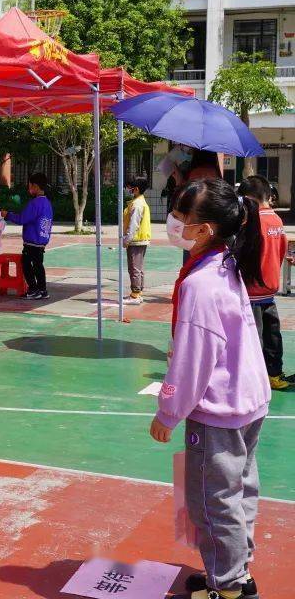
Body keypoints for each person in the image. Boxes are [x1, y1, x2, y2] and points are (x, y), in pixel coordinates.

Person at [151, 179, 271, 599]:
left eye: (182, 217)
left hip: (219, 409)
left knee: (212, 502)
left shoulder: (200, 283)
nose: (175, 223)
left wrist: (168, 411)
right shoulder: (225, 263)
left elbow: (193, 360)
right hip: (247, 398)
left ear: (205, 230)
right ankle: (234, 570)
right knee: (238, 491)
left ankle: (231, 587)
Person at [239, 175, 291, 391]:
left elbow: (241, 254)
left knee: (253, 336)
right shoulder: (277, 221)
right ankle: (274, 373)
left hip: (251, 290)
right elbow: (281, 251)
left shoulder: (250, 222)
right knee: (272, 335)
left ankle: (252, 377)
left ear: (248, 199)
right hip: (269, 288)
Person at [6, 172, 53, 300]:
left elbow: (22, 218)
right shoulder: (47, 203)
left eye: (30, 186)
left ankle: (33, 289)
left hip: (32, 240)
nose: (29, 189)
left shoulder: (35, 203)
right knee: (38, 265)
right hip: (42, 240)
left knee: (26, 262)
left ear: (36, 186)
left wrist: (8, 214)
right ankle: (42, 290)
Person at [122, 176, 152, 305]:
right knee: (137, 268)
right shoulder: (138, 201)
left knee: (134, 268)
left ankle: (135, 295)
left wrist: (126, 240)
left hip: (136, 240)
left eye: (130, 188)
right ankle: (138, 293)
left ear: (137, 189)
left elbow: (134, 224)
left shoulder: (137, 204)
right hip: (139, 239)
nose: (128, 190)